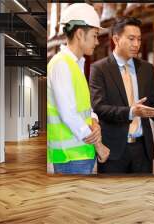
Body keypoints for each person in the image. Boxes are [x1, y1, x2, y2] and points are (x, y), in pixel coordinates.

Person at [89, 17, 154, 174]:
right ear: (116, 39)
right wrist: (131, 112)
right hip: (113, 150)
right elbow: (99, 107)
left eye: (139, 39)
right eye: (131, 39)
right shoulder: (99, 69)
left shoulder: (146, 69)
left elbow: (152, 103)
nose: (136, 44)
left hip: (142, 149)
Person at [47, 3, 109, 175]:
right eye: (95, 36)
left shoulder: (76, 65)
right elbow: (69, 114)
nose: (97, 41)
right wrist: (99, 145)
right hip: (70, 158)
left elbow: (83, 107)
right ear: (80, 34)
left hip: (80, 155)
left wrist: (94, 119)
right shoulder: (61, 65)